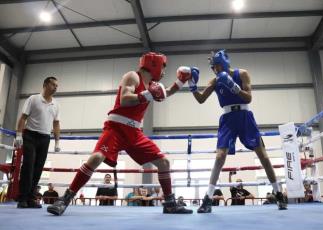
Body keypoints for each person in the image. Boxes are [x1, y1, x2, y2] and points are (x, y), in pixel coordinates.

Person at [47, 52, 193, 215]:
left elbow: (166, 92)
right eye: (163, 67)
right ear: (154, 65)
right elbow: (125, 99)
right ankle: (65, 199)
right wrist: (147, 94)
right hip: (116, 127)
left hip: (134, 133)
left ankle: (170, 203)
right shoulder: (133, 76)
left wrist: (182, 80)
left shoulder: (151, 85)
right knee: (96, 157)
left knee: (164, 163)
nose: (164, 71)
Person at [187, 50, 287, 213]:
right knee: (219, 157)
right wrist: (192, 86)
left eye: (218, 66)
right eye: (213, 68)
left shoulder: (242, 74)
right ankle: (207, 199)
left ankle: (278, 193)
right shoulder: (215, 80)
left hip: (245, 116)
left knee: (264, 156)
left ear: (225, 63)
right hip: (227, 119)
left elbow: (248, 98)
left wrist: (234, 87)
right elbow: (201, 99)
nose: (216, 70)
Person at [15, 77, 60, 208]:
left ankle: (31, 198)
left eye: (57, 86)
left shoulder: (56, 104)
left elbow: (56, 123)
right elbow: (23, 117)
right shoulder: (33, 99)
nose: (56, 87)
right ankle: (22, 197)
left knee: (38, 167)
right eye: (53, 84)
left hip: (45, 138)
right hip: (30, 135)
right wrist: (19, 134)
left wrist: (57, 142)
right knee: (28, 165)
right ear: (45, 84)